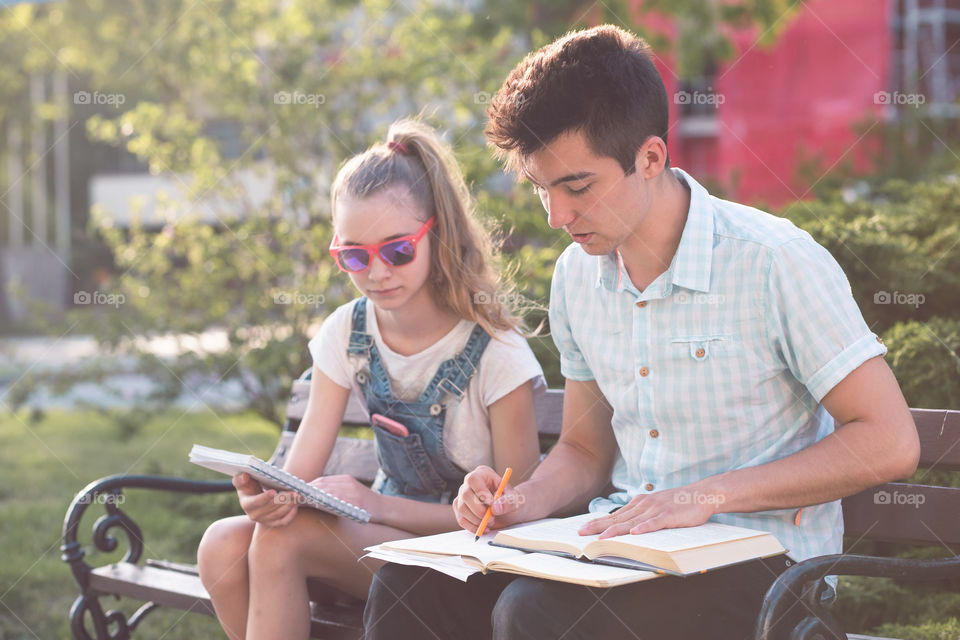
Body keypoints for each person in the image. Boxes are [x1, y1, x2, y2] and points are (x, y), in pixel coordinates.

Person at [364, 25, 921, 640]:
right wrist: (522, 501)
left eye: (577, 186)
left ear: (651, 158)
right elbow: (585, 450)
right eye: (540, 188)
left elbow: (889, 441)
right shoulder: (578, 276)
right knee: (411, 588)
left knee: (533, 613)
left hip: (766, 568)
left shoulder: (773, 261)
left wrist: (702, 497)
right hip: (620, 551)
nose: (557, 217)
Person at [196, 118, 544, 640]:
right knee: (222, 543)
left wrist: (379, 505)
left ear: (436, 234)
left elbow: (515, 516)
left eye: (397, 249)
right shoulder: (348, 330)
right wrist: (270, 498)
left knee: (278, 543)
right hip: (377, 539)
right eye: (355, 254)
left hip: (466, 556)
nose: (377, 272)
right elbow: (298, 472)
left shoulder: (496, 351)